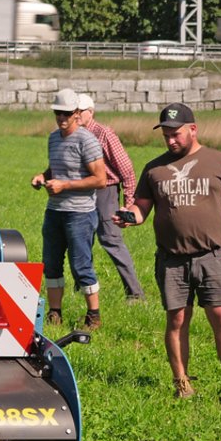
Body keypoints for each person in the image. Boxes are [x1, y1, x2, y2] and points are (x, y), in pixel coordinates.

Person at [116, 103, 221, 406]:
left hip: (214, 256)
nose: (170, 140)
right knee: (177, 320)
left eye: (175, 134)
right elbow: (142, 209)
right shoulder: (154, 168)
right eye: (166, 135)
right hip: (172, 258)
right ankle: (182, 382)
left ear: (193, 129)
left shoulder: (219, 161)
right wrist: (129, 216)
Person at [30, 88, 107, 330]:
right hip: (54, 211)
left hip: (80, 213)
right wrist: (43, 176)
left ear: (76, 114)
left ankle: (93, 315)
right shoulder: (53, 138)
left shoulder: (88, 141)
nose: (61, 118)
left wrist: (66, 185)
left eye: (66, 114)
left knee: (80, 265)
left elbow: (100, 179)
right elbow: (56, 167)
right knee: (51, 263)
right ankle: (55, 313)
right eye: (57, 113)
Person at [77, 94, 145, 301]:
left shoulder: (104, 133)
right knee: (79, 241)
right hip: (81, 192)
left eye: (81, 111)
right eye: (74, 111)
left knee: (111, 240)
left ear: (91, 112)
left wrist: (129, 205)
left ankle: (135, 294)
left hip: (105, 192)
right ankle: (82, 290)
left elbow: (127, 170)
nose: (77, 115)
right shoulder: (72, 134)